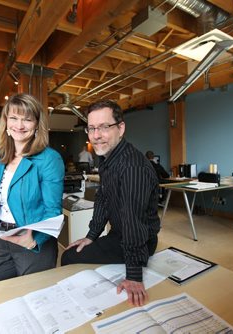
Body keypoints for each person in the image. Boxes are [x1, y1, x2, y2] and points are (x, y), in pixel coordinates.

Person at [61, 100, 161, 307]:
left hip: (139, 240)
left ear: (120, 128)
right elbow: (104, 200)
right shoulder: (108, 159)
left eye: (105, 127)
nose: (96, 135)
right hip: (119, 234)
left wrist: (134, 275)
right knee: (75, 253)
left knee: (70, 258)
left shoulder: (133, 166)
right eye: (91, 128)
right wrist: (91, 236)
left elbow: (134, 221)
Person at [0, 93, 64, 284]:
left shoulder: (49, 159)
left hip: (32, 241)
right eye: (13, 118)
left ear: (37, 124)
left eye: (27, 120)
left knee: (34, 299)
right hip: (2, 236)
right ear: (5, 122)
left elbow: (53, 211)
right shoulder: (1, 156)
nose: (19, 125)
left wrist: (34, 240)